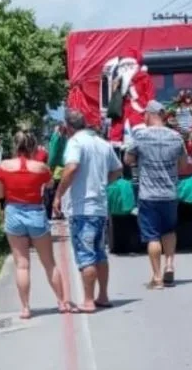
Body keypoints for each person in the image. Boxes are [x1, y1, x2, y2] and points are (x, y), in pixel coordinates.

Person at [0, 130, 70, 318]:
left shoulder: (4, 166)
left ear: (15, 145)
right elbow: (50, 184)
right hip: (35, 212)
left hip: (14, 213)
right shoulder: (41, 168)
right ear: (33, 147)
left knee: (22, 265)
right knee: (49, 263)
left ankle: (26, 308)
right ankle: (62, 302)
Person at [55, 110, 123, 313]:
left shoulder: (75, 143)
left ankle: (88, 300)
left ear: (68, 127)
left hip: (82, 207)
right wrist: (102, 184)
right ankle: (103, 295)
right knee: (100, 253)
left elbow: (72, 167)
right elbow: (117, 169)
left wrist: (59, 194)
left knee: (86, 255)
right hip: (100, 207)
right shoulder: (102, 143)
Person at [123, 100, 187, 289]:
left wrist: (139, 160)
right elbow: (183, 164)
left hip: (148, 195)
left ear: (150, 114)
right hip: (169, 194)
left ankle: (157, 278)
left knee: (152, 236)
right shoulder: (176, 137)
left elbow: (128, 159)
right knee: (169, 230)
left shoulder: (140, 136)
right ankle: (169, 264)